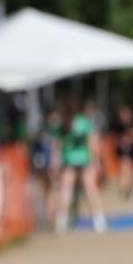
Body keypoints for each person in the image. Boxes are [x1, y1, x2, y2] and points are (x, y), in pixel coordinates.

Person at [56, 99, 106, 234]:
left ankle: (61, 221)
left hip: (69, 160)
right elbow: (92, 142)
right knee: (90, 189)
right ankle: (99, 220)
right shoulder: (84, 122)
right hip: (84, 159)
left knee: (66, 190)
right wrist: (97, 160)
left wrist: (58, 162)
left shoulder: (63, 123)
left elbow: (59, 145)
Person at [111, 105, 133, 199]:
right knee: (124, 168)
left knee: (132, 170)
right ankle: (124, 188)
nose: (124, 116)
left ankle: (131, 188)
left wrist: (132, 137)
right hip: (123, 151)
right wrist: (120, 140)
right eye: (122, 114)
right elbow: (113, 137)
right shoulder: (117, 125)